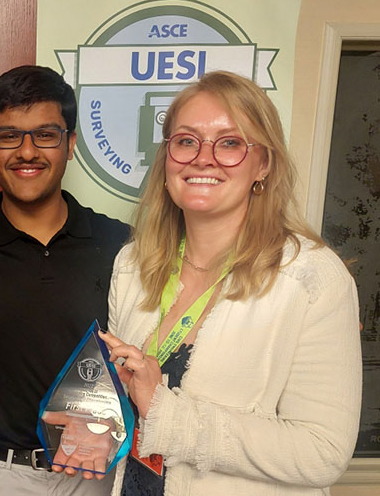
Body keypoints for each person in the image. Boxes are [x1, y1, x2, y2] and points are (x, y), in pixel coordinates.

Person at [99, 71, 362, 495]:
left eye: (230, 143)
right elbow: (127, 410)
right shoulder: (134, 264)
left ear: (264, 164)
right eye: (186, 141)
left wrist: (167, 415)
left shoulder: (311, 278)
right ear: (167, 159)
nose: (203, 159)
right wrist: (89, 422)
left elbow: (322, 453)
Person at [0, 65, 130, 496]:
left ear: (71, 144)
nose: (27, 151)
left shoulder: (121, 245)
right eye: (8, 136)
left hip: (95, 471)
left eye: (45, 135)